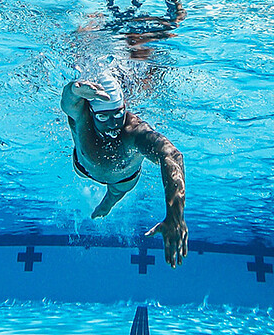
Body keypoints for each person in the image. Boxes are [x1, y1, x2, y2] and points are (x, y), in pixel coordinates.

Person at [61, 72, 187, 268]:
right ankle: (106, 204)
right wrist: (74, 89)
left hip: (122, 181)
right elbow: (68, 102)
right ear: (91, 111)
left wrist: (175, 215)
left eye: (118, 114)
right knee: (104, 195)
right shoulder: (81, 115)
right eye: (103, 116)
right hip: (83, 167)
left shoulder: (134, 132)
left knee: (114, 195)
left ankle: (107, 203)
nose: (112, 123)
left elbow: (172, 156)